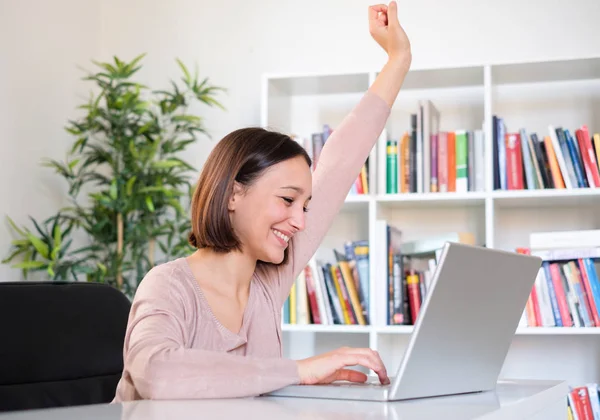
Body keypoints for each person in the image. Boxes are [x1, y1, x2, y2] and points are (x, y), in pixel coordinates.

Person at [112, 1, 411, 401]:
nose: (300, 221)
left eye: (304, 206)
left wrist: (399, 59)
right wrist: (298, 371)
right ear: (234, 193)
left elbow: (341, 162)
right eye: (287, 200)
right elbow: (157, 375)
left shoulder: (268, 281)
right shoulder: (169, 286)